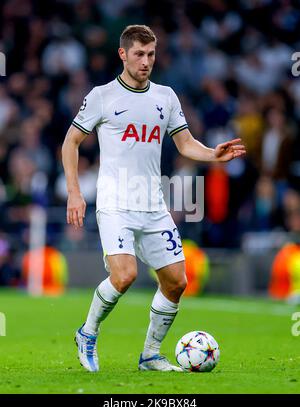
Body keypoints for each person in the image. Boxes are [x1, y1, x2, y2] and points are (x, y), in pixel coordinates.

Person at [61, 25, 246, 372]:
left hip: (153, 204)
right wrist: (74, 191)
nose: (146, 62)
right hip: (115, 201)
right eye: (139, 54)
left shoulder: (166, 97)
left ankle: (150, 354)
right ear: (123, 54)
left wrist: (213, 154)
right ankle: (87, 333)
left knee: (177, 282)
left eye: (151, 55)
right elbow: (70, 142)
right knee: (125, 275)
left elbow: (185, 143)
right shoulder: (102, 96)